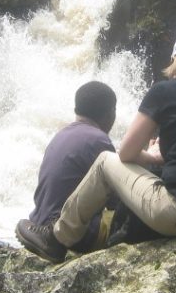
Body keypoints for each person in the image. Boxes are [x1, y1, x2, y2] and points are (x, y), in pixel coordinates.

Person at [16, 31, 176, 263]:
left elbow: (126, 153)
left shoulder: (165, 91)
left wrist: (154, 156)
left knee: (105, 160)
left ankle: (57, 238)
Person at [16, 81, 118, 253]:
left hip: (38, 223)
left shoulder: (60, 135)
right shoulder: (100, 140)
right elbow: (116, 200)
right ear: (109, 115)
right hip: (71, 236)